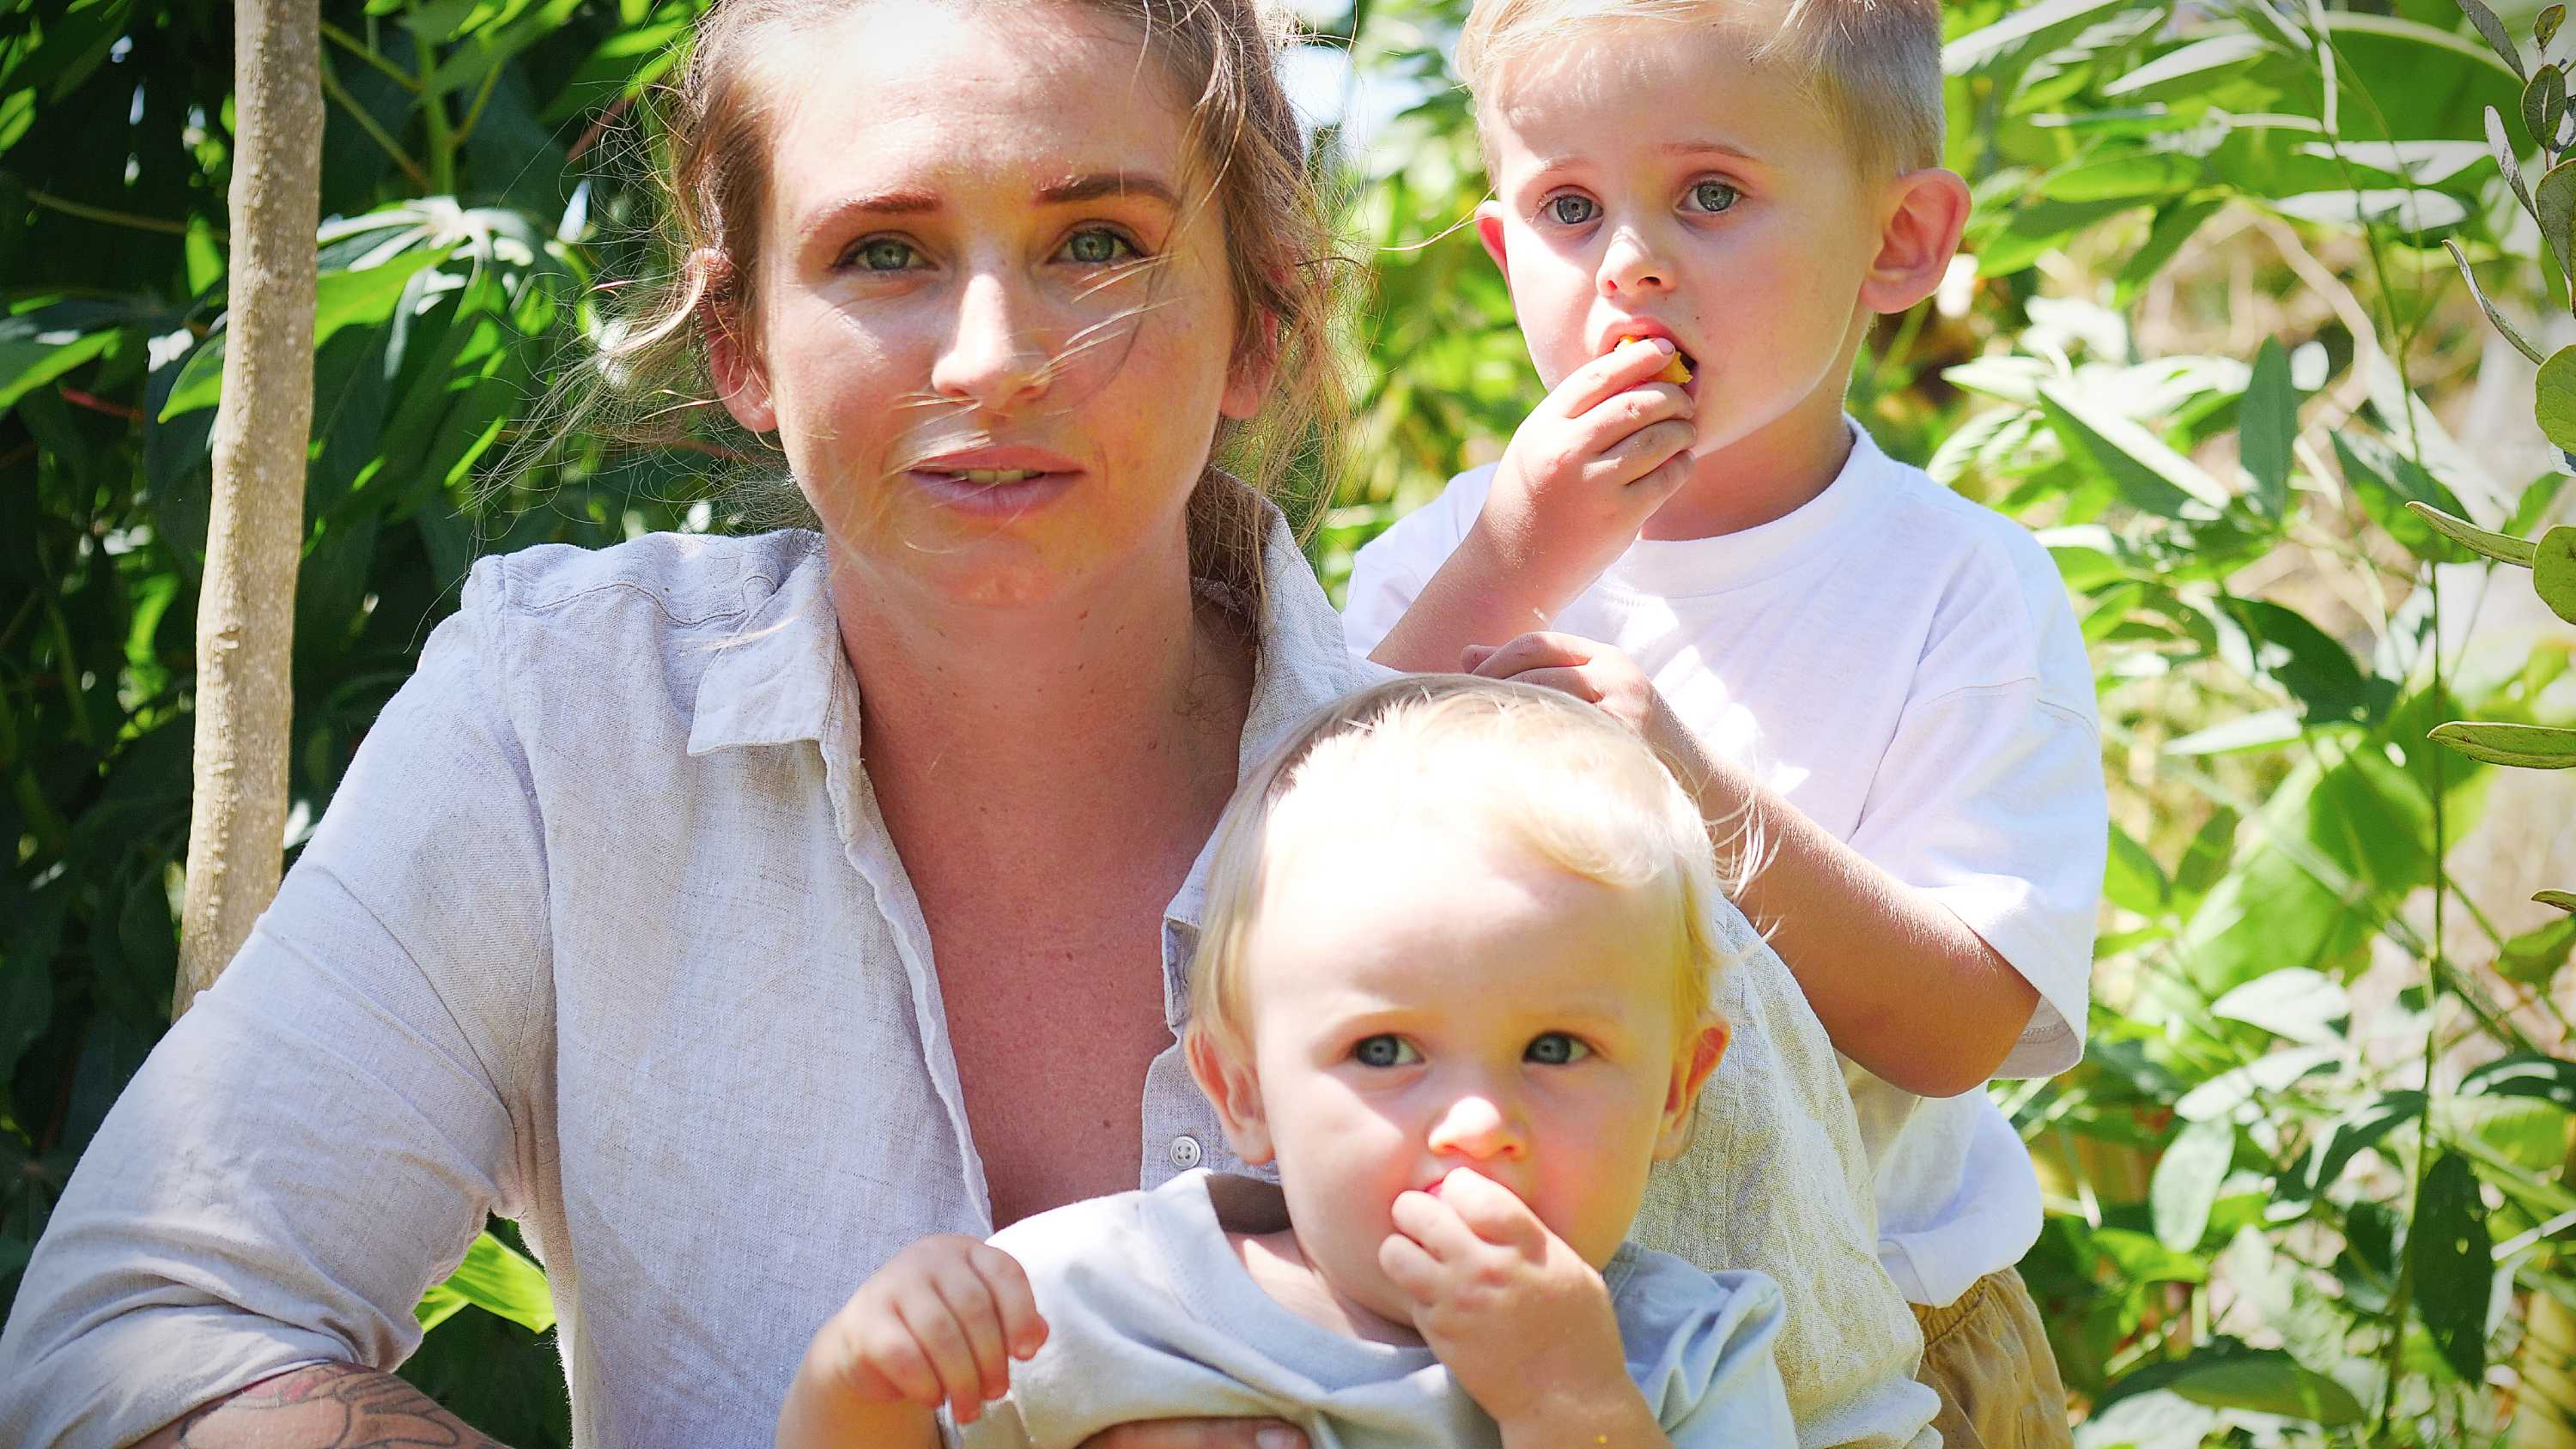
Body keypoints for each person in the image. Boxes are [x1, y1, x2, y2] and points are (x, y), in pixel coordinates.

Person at [0, 2, 1923, 1447]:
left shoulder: (1533, 840)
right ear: (741, 338)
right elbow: (139, 1336)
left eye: (1097, 243)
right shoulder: (563, 719)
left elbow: (1830, 1406)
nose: (993, 361)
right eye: (882, 252)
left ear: (1262, 322)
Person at [1341, 2, 2110, 1445]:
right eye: (1571, 207)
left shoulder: (1961, 588)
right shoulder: (1444, 561)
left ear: (1898, 244)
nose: (1630, 262)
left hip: (1882, 1336)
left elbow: (1960, 1028)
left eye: (1711, 194)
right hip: (1499, 1321)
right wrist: (1516, 554)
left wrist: (1702, 799)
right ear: (1505, 252)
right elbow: (1289, 864)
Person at [776, 676, 1795, 1448]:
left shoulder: (1682, 1355)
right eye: (1385, 1049)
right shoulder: (1100, 1291)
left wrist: (1573, 1404)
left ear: (1674, 1089)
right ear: (1242, 1089)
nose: (1479, 1121)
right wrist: (866, 1381)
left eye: (1557, 1047)